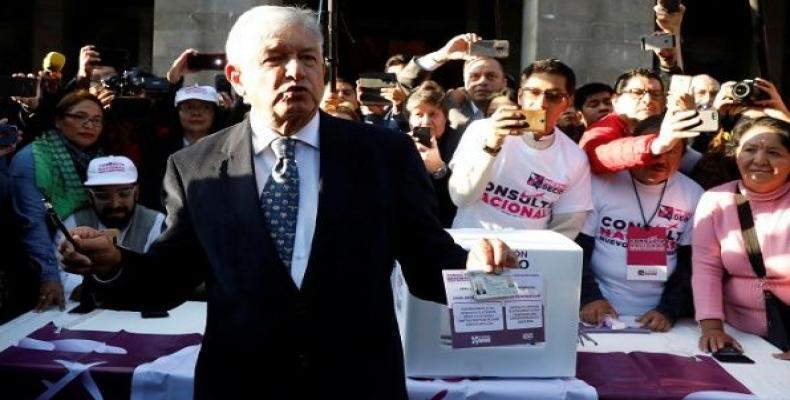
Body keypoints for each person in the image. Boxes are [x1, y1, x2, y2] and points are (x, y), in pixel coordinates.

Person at [59, 6, 516, 399]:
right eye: (276, 58)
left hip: (358, 384)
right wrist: (113, 262)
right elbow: (171, 277)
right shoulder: (194, 166)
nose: (296, 71)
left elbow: (426, 260)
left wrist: (475, 269)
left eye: (308, 58)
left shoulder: (385, 155)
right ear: (237, 78)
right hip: (242, 385)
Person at [578, 115, 703, 331]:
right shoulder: (602, 184)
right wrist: (590, 298)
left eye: (671, 151)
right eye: (656, 148)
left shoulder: (694, 195)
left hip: (658, 320)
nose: (660, 158)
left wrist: (668, 310)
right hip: (598, 313)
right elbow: (579, 250)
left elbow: (690, 265)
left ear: (682, 156)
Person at [448, 59, 591, 239]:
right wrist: (493, 144)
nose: (542, 104)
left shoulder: (575, 157)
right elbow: (461, 198)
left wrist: (537, 257)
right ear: (521, 96)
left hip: (529, 258)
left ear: (567, 102)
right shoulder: (481, 130)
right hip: (470, 248)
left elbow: (566, 227)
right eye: (534, 93)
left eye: (554, 96)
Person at [692, 116, 790, 360]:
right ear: (735, 154)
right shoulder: (715, 199)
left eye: (774, 152)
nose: (760, 160)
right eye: (750, 149)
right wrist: (713, 327)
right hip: (741, 335)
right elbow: (706, 268)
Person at [10, 90, 104, 312]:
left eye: (97, 120)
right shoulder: (33, 159)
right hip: (35, 270)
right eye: (80, 117)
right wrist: (50, 277)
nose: (89, 125)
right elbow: (32, 223)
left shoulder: (98, 159)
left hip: (74, 267)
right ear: (59, 121)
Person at [405, 80, 461, 227]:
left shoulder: (460, 144)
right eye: (418, 114)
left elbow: (460, 200)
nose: (426, 121)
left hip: (448, 226)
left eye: (433, 114)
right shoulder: (401, 145)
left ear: (445, 116)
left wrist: (439, 170)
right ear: (409, 119)